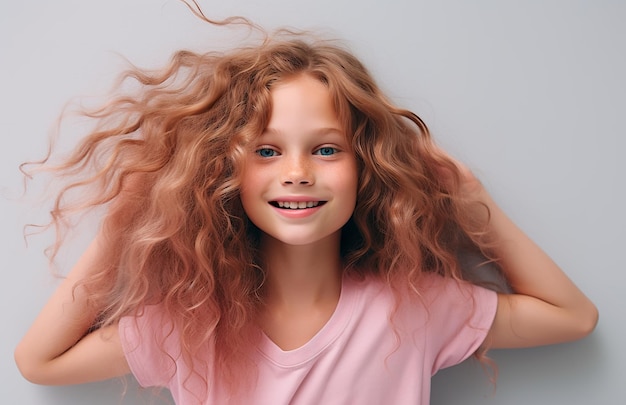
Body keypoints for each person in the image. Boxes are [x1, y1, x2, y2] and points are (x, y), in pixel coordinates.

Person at [14, 7, 598, 404]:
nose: (296, 173)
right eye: (266, 151)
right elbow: (40, 361)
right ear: (225, 172)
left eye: (325, 149)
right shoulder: (192, 324)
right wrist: (122, 228)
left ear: (365, 166)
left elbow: (572, 316)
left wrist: (474, 204)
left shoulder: (413, 307)